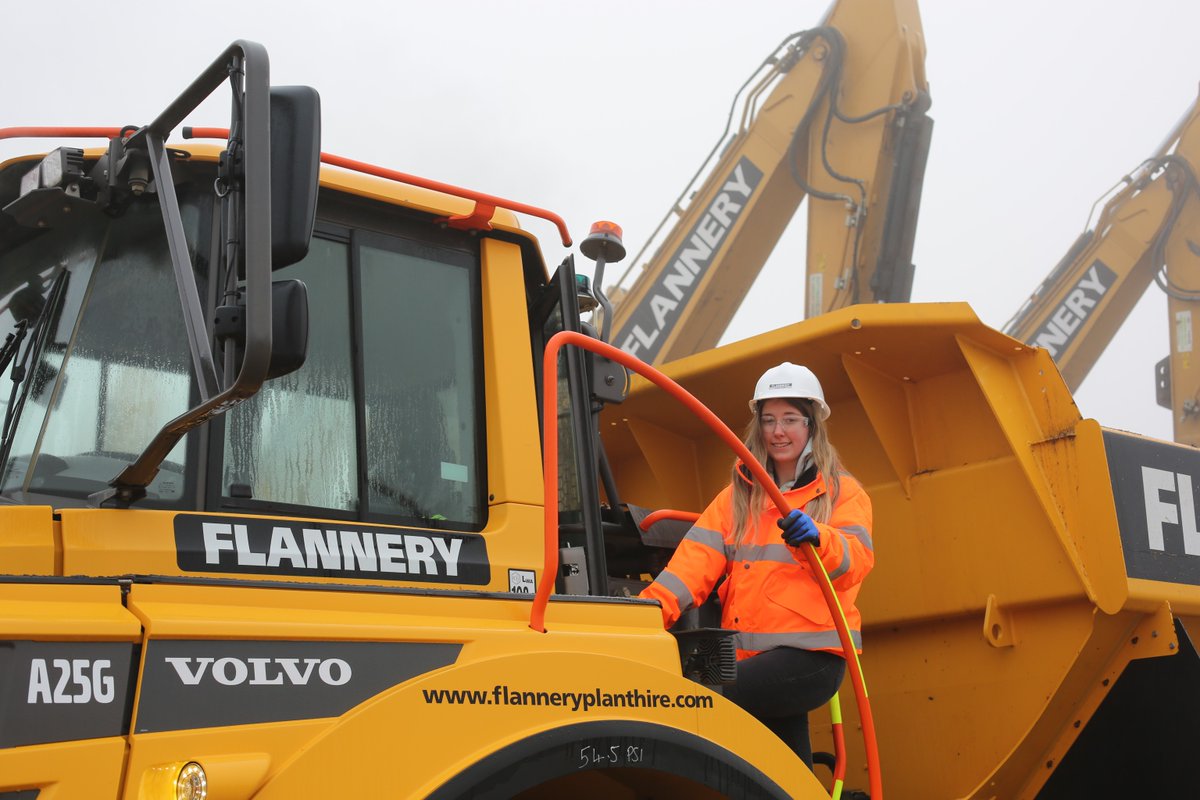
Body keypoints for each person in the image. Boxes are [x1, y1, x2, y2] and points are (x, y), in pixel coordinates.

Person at [640, 361, 874, 767]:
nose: (778, 432)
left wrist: (819, 538)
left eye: (789, 419)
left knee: (705, 703)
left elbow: (854, 562)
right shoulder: (735, 499)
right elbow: (690, 568)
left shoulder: (842, 493)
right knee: (784, 767)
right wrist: (642, 617)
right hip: (750, 658)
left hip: (810, 656)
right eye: (768, 420)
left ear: (812, 424)